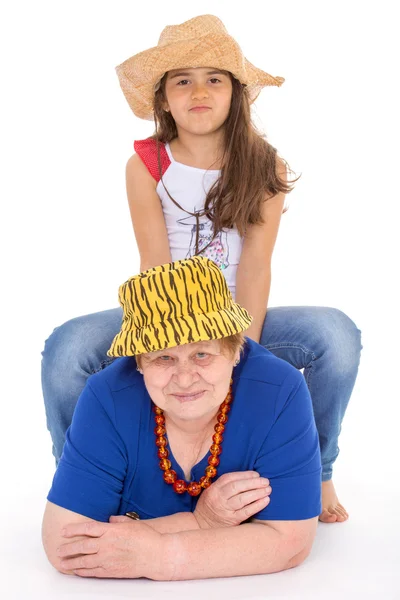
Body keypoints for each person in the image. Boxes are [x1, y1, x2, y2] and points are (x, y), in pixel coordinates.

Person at [41, 14, 362, 525]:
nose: (199, 91)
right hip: (165, 312)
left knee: (336, 335)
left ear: (236, 93)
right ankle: (83, 477)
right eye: (181, 80)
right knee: (68, 348)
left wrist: (241, 352)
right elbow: (155, 267)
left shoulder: (265, 165)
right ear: (164, 99)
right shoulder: (147, 164)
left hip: (236, 320)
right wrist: (165, 346)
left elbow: (256, 268)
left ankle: (318, 470)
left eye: (214, 78)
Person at [42, 256, 322, 580]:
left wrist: (161, 556)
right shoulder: (107, 396)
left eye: (201, 354)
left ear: (234, 351)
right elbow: (68, 545)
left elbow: (290, 541)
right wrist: (202, 523)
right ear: (139, 363)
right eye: (163, 357)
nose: (185, 379)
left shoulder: (279, 389)